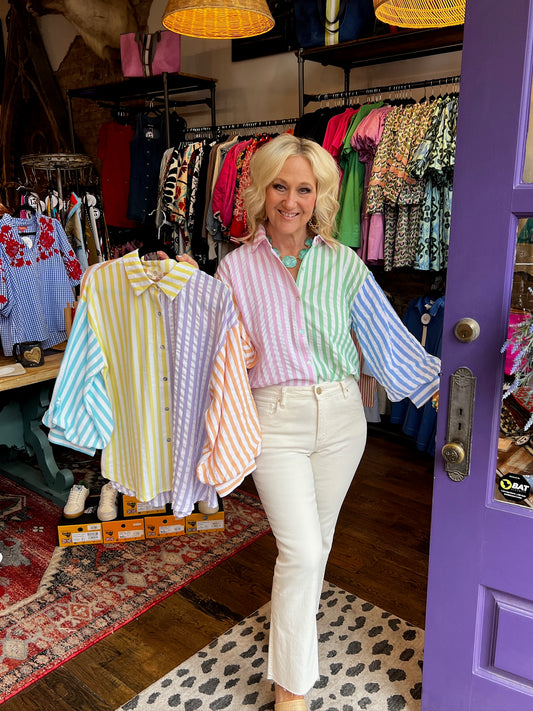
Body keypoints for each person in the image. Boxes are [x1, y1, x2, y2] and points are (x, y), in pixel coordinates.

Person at [213, 133, 441, 711]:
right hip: (276, 421)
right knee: (303, 551)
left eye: (304, 189)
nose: (291, 200)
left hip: (342, 420)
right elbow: (217, 347)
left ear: (320, 197)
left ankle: (295, 645)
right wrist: (229, 349)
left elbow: (387, 340)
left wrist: (444, 390)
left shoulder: (344, 265)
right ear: (261, 193)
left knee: (319, 542)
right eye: (280, 187)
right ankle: (292, 690)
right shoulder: (234, 269)